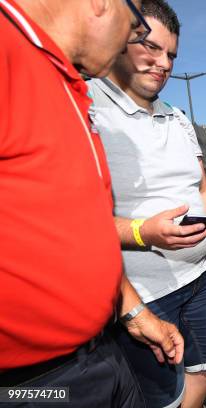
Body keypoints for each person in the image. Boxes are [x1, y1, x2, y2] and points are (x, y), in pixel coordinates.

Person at [0, 0, 184, 405]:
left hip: (102, 353)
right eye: (136, 29)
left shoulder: (65, 79)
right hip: (31, 384)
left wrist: (133, 313)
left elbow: (81, 225)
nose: (128, 43)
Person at [87, 1, 206, 407]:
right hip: (140, 294)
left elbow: (204, 191)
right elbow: (72, 218)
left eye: (171, 54)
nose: (163, 63)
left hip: (200, 279)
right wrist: (142, 232)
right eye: (150, 47)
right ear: (120, 40)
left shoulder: (178, 119)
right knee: (158, 397)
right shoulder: (86, 107)